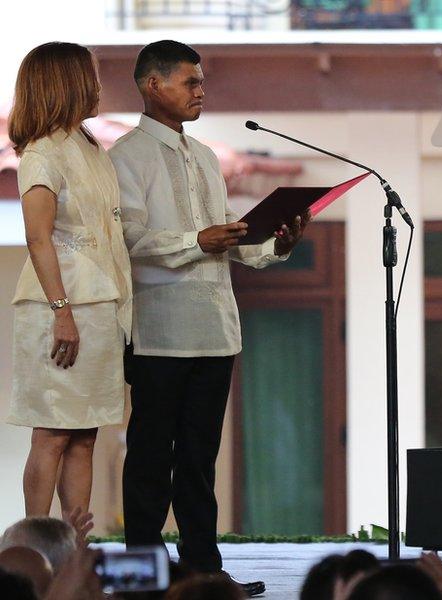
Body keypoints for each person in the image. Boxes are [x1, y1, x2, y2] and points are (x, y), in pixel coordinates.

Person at [108, 40, 307, 598]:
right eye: (190, 82)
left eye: (201, 82)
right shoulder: (126, 156)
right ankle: (140, 576)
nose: (201, 90)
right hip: (158, 330)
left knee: (199, 460)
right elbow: (129, 240)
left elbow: (227, 240)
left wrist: (275, 243)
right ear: (153, 85)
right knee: (151, 457)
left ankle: (204, 573)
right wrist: (198, 239)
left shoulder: (205, 157)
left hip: (215, 328)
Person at [6, 42, 132, 521]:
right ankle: (36, 549)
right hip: (62, 308)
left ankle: (73, 555)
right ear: (66, 83)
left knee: (84, 433)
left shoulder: (88, 144)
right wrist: (63, 313)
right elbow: (39, 238)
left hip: (99, 305)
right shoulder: (40, 153)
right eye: (89, 76)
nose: (97, 86)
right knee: (52, 432)